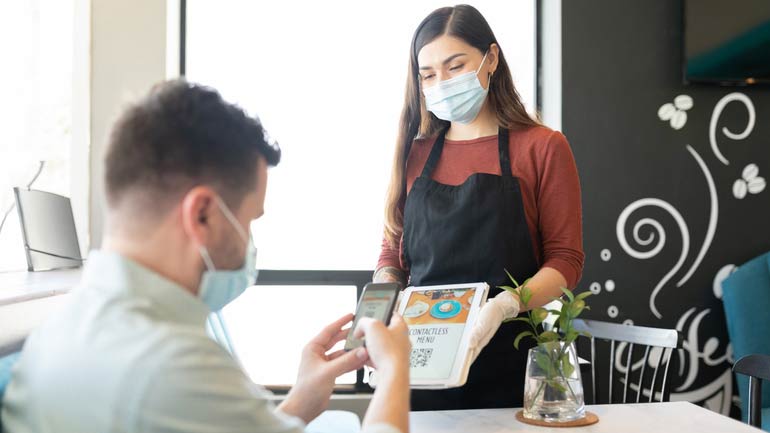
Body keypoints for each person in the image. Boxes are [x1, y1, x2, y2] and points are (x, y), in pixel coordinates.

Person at [1, 80, 411, 433]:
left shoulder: (58, 332)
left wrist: (302, 399)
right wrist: (394, 371)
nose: (249, 242)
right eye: (250, 221)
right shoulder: (172, 364)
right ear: (201, 214)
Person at [374, 5, 584, 411]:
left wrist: (505, 305)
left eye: (455, 66)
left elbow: (566, 261)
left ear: (490, 58)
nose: (442, 82)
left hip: (509, 362)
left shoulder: (542, 147)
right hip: (422, 361)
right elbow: (391, 252)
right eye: (429, 74)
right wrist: (381, 301)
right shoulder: (414, 153)